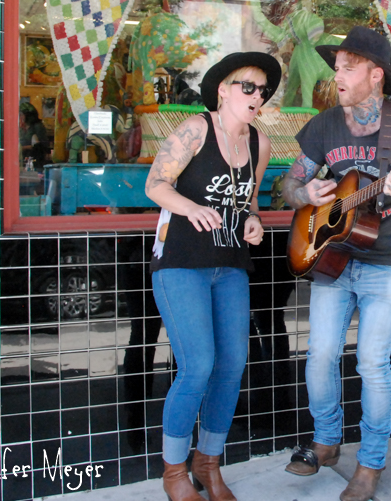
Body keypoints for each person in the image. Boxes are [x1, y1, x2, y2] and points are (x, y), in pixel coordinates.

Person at [281, 26, 391, 501]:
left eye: (348, 67)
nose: (338, 74)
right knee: (321, 355)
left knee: (372, 362)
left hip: (387, 263)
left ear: (376, 75)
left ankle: (370, 462)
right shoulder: (325, 125)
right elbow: (287, 186)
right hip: (331, 258)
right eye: (338, 66)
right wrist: (304, 193)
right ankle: (327, 442)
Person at [145, 51, 280, 501]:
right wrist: (192, 208)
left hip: (230, 265)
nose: (256, 95)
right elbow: (155, 184)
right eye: (248, 86)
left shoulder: (259, 144)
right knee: (198, 365)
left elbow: (249, 201)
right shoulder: (195, 129)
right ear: (223, 90)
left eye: (262, 90)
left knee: (231, 366)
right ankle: (173, 471)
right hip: (181, 262)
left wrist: (254, 221)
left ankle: (209, 462)